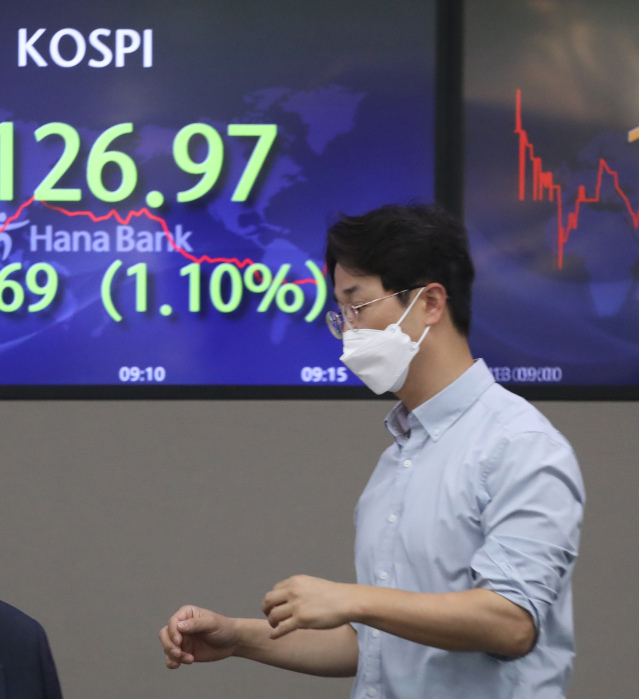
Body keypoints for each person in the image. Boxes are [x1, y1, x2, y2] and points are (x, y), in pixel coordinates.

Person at [158, 203, 585, 698]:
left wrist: (354, 599)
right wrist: (239, 638)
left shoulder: (519, 444)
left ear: (430, 303)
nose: (348, 330)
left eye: (357, 305)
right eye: (340, 312)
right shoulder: (400, 458)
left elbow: (510, 623)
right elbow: (381, 648)